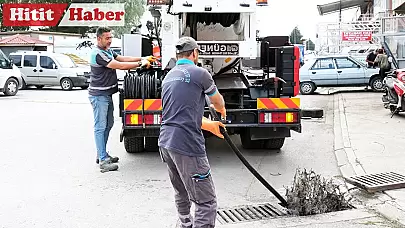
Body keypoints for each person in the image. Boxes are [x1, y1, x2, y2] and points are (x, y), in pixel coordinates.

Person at [158, 36, 226, 228]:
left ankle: (185, 224)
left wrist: (210, 125)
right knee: (206, 202)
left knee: (182, 191)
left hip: (166, 143)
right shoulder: (200, 73)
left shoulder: (168, 77)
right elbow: (217, 101)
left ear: (177, 55)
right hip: (187, 145)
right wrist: (221, 111)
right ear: (195, 53)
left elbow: (179, 115)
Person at [89, 26, 154, 173]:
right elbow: (120, 65)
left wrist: (142, 58)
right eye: (107, 38)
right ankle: (103, 160)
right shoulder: (98, 54)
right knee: (100, 126)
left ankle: (102, 154)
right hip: (99, 96)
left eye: (111, 37)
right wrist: (140, 64)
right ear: (99, 39)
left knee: (108, 124)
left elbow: (123, 58)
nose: (110, 40)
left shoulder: (107, 51)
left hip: (106, 94)